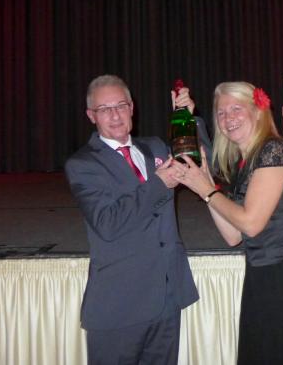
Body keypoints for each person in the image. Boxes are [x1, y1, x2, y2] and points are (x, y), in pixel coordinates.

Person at [175, 81, 283, 364]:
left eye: (236, 109)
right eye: (221, 112)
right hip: (262, 281)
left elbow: (251, 223)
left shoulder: (273, 151)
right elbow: (233, 235)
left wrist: (206, 190)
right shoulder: (245, 163)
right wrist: (205, 184)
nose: (228, 118)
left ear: (257, 111)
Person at [64, 74, 202, 365]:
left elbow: (202, 165)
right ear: (91, 116)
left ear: (132, 108)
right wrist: (158, 183)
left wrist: (189, 121)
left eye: (121, 105)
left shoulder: (155, 147)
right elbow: (108, 223)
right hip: (119, 305)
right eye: (104, 109)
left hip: (166, 298)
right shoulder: (83, 164)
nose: (115, 115)